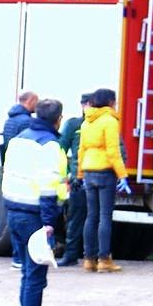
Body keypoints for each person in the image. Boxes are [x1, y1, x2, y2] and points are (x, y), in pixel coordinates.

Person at [0, 98, 67, 306]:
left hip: (14, 210)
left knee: (28, 273)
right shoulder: (48, 145)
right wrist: (50, 222)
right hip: (35, 216)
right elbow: (49, 187)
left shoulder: (19, 139)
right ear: (58, 119)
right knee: (36, 275)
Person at [77, 87, 124, 273]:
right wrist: (122, 174)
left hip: (89, 171)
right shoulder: (109, 121)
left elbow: (81, 151)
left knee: (91, 216)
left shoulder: (86, 121)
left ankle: (89, 259)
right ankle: (104, 259)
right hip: (105, 172)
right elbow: (113, 151)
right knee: (105, 217)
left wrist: (80, 174)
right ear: (110, 102)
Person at [55, 93, 93, 267]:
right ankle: (71, 255)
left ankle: (93, 257)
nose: (89, 107)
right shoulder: (74, 124)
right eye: (86, 104)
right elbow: (60, 148)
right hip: (78, 179)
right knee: (75, 219)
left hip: (97, 178)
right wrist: (65, 176)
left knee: (95, 219)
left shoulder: (104, 123)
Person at [0, 90, 39, 159]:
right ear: (30, 101)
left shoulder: (10, 118)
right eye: (37, 101)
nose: (38, 104)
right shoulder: (27, 121)